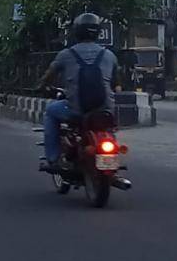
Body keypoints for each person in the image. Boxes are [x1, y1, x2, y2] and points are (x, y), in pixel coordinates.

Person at [37, 13, 117, 172]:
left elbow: (48, 76)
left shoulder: (66, 54)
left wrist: (41, 86)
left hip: (77, 110)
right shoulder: (109, 55)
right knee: (109, 128)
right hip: (105, 109)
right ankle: (110, 163)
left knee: (51, 112)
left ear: (76, 32)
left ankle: (52, 159)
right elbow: (116, 81)